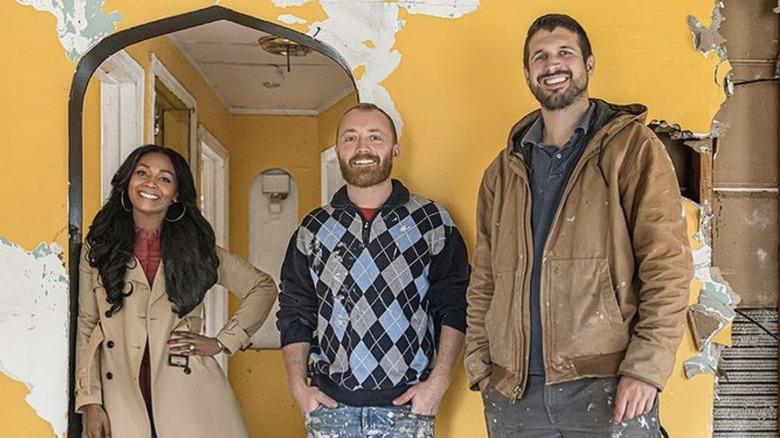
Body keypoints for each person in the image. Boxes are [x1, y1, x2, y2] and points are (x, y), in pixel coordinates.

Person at [464, 14, 693, 437]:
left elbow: (668, 266)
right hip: (513, 392)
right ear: (528, 74)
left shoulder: (633, 149)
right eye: (541, 57)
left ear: (588, 64)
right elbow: (484, 277)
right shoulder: (502, 171)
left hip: (608, 386)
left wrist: (647, 368)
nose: (553, 64)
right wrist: (481, 362)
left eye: (565, 53)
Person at [277, 103, 469, 438]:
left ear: (395, 150)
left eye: (375, 137)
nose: (362, 147)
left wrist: (438, 383)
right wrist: (298, 387)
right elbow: (296, 310)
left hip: (407, 408)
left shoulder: (432, 221)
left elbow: (455, 304)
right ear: (338, 149)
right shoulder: (314, 228)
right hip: (331, 410)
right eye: (350, 138)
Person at [75, 145, 277, 438]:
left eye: (164, 179)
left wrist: (222, 342)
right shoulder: (99, 248)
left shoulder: (197, 250)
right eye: (142, 173)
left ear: (177, 194)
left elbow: (262, 286)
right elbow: (87, 324)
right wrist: (90, 402)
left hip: (189, 392)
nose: (150, 184)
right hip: (119, 396)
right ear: (127, 181)